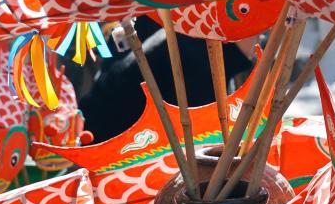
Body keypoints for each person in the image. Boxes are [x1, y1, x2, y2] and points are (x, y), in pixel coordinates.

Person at [77, 18, 255, 142]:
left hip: (100, 122)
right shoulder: (195, 62)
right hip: (106, 139)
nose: (262, 33)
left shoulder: (194, 41)